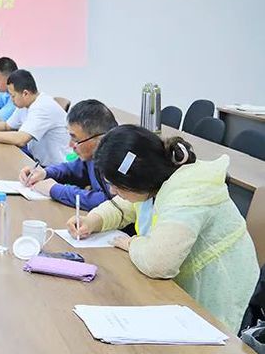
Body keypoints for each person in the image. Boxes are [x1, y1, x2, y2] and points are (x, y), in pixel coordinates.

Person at [68, 125, 258, 333]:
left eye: (117, 185)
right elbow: (125, 205)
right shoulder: (153, 181)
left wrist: (132, 243)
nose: (113, 191)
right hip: (185, 284)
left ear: (138, 179)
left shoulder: (189, 192)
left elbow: (159, 263)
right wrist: (93, 220)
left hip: (219, 289)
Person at [18, 99, 117, 210]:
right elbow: (72, 170)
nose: (70, 145)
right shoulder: (94, 154)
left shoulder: (117, 159)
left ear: (99, 139)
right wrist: (45, 173)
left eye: (76, 139)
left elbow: (108, 202)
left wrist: (54, 189)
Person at [0, 69, 70, 167]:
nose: (11, 99)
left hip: (58, 168)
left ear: (25, 93)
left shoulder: (42, 107)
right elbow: (7, 126)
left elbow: (21, 139)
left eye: (13, 96)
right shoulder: (25, 103)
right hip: (38, 160)